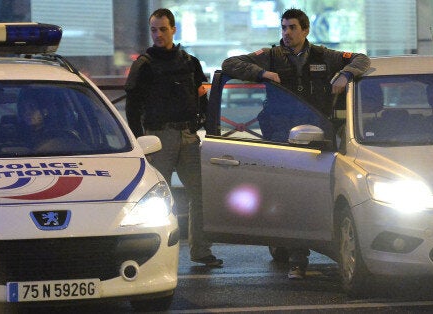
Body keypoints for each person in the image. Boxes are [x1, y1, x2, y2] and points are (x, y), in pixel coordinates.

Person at [221, 8, 371, 279]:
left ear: (305, 30)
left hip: (317, 138)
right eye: (283, 28)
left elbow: (362, 59)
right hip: (282, 138)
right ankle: (296, 260)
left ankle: (328, 248)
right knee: (287, 197)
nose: (287, 33)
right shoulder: (271, 56)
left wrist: (346, 74)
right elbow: (229, 64)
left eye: (292, 28)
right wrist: (262, 74)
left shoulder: (324, 56)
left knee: (322, 195)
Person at [125, 8, 221, 267]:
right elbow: (132, 106)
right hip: (159, 137)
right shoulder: (144, 64)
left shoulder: (189, 61)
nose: (158, 34)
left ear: (173, 29)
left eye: (163, 29)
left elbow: (202, 94)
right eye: (154, 29)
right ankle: (156, 255)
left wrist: (203, 123)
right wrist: (138, 140)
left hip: (188, 135)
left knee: (199, 194)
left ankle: (201, 250)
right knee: (156, 198)